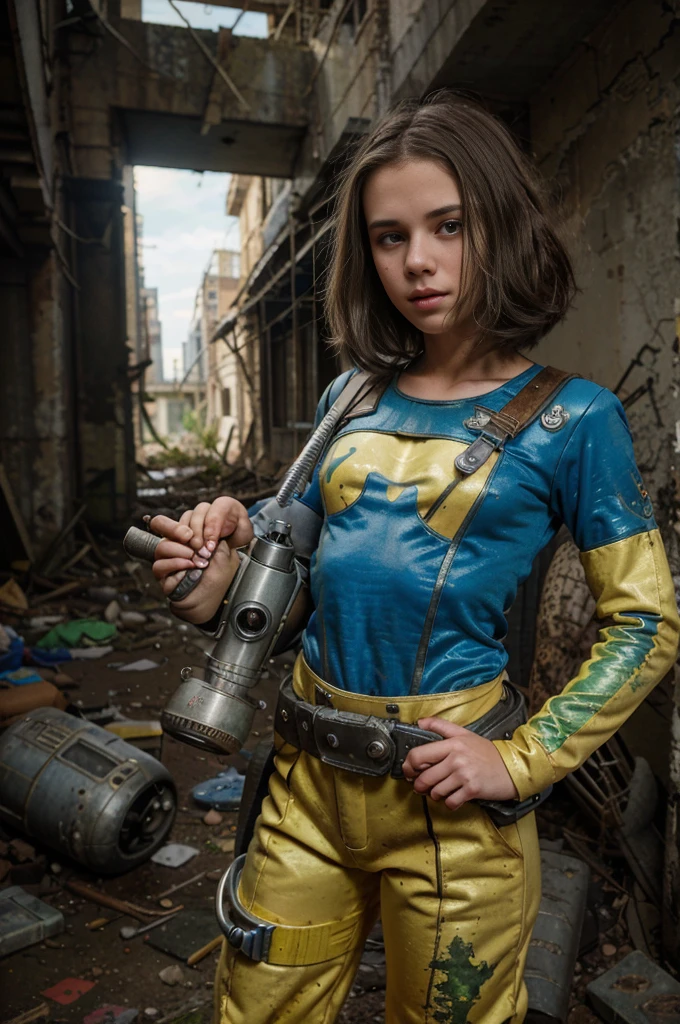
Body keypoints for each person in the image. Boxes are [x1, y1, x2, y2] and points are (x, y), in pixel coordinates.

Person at [149, 93, 679, 1023]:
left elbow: (646, 621)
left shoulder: (574, 419)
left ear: (503, 227)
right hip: (304, 786)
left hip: (451, 810)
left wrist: (523, 761)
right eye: (389, 237)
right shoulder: (348, 399)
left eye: (448, 226)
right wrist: (211, 573)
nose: (418, 262)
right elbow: (290, 591)